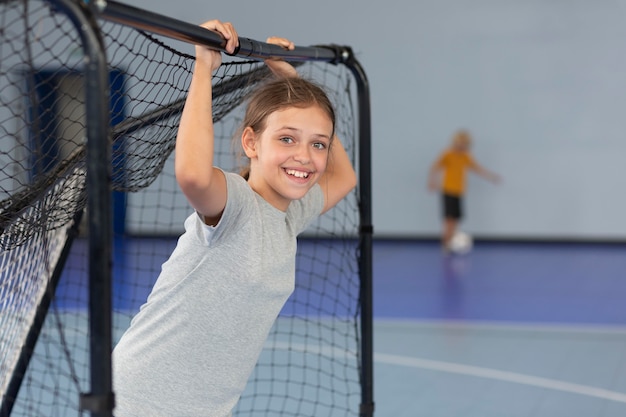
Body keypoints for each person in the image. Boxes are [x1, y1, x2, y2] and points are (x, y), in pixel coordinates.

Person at [112, 20, 357, 417]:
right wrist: (203, 68)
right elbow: (192, 174)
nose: (305, 156)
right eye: (287, 138)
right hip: (145, 400)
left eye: (318, 145)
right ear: (251, 142)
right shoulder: (236, 204)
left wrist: (289, 77)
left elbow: (343, 177)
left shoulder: (291, 214)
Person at [428, 129, 499, 251]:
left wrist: (491, 176)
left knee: (456, 219)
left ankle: (451, 242)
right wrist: (432, 182)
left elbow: (477, 168)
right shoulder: (447, 154)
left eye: (465, 144)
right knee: (449, 219)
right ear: (454, 142)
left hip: (459, 191)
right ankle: (445, 244)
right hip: (448, 190)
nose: (462, 146)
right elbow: (435, 167)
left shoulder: (466, 157)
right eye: (460, 143)